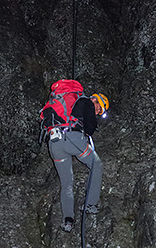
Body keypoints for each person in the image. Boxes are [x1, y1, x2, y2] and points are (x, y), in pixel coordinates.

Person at [41, 89, 109, 232]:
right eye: (99, 109)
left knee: (67, 183)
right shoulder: (86, 102)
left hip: (54, 143)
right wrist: (88, 129)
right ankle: (90, 204)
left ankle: (68, 220)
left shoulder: (73, 106)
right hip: (72, 139)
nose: (97, 112)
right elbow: (90, 127)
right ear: (96, 100)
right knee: (96, 165)